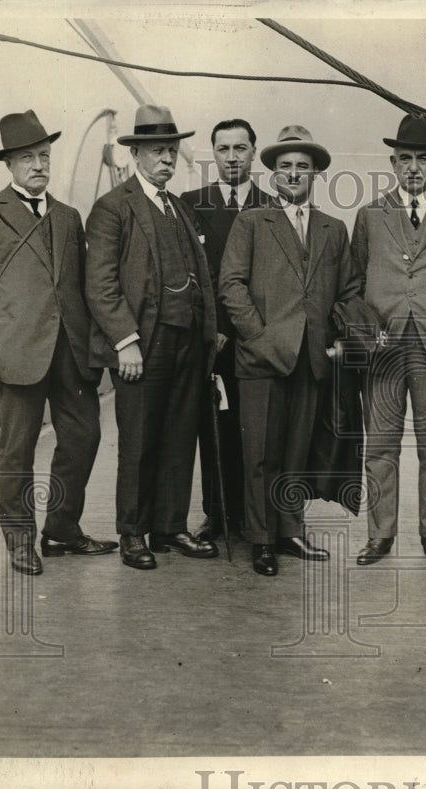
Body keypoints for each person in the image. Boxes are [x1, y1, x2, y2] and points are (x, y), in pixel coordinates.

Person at [0, 109, 116, 576]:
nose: (39, 165)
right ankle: (21, 540)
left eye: (44, 155)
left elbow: (82, 286)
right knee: (18, 450)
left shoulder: (69, 217)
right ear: (9, 164)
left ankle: (63, 531)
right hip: (17, 355)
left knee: (85, 438)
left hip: (72, 353)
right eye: (28, 158)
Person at [218, 125, 361, 577]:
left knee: (298, 450)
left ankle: (290, 530)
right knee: (260, 453)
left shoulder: (333, 229)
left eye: (302, 167)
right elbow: (231, 285)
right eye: (285, 167)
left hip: (312, 360)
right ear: (274, 173)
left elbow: (350, 290)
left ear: (315, 172)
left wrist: (340, 338)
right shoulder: (251, 222)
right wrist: (259, 338)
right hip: (262, 359)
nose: (294, 174)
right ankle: (261, 540)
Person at [85, 105, 219, 569]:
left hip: (187, 342)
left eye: (173, 151)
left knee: (180, 436)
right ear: (136, 153)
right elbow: (100, 284)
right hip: (144, 344)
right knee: (139, 440)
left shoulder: (178, 206)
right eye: (159, 151)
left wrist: (208, 333)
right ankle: (132, 533)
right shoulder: (112, 208)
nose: (168, 159)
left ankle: (170, 526)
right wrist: (126, 341)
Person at [350, 114, 426, 570]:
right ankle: (380, 536)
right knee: (380, 446)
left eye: (423, 159)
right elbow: (356, 281)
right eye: (405, 159)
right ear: (393, 162)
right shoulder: (368, 216)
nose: (413, 168)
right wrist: (367, 332)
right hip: (384, 351)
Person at [179, 118, 275, 543]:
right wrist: (211, 328)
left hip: (257, 337)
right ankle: (216, 513)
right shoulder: (189, 203)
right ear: (213, 154)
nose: (232, 157)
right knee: (212, 427)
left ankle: (255, 515)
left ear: (254, 152)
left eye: (241, 148)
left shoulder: (273, 205)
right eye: (224, 149)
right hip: (213, 339)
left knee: (256, 428)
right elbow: (190, 275)